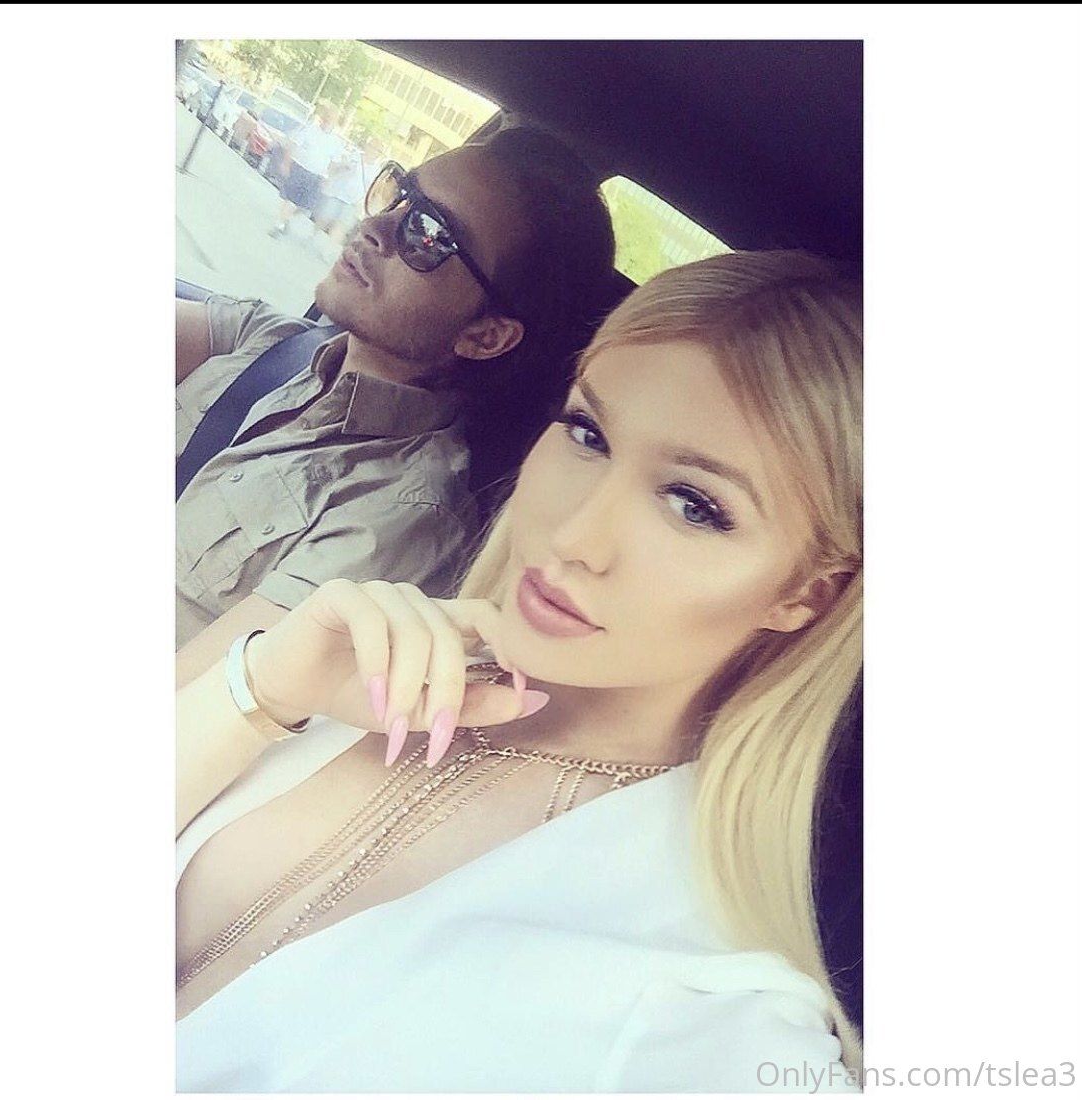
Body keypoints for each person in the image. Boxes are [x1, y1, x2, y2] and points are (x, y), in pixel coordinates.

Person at [175, 250, 864, 1091]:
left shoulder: (707, 1010)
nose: (575, 536)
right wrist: (255, 695)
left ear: (803, 594)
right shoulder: (351, 659)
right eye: (588, 434)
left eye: (694, 505)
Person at [175, 127, 617, 678]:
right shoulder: (268, 339)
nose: (376, 227)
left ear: (485, 336)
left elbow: (197, 704)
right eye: (400, 194)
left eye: (429, 235)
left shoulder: (398, 520)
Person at [267, 106, 350, 239]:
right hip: (300, 169)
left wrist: (330, 178)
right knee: (290, 200)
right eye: (327, 116)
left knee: (305, 207)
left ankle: (286, 219)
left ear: (335, 122)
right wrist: (286, 163)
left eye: (331, 118)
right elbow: (293, 145)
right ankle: (279, 225)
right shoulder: (310, 129)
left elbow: (333, 164)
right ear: (322, 117)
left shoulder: (336, 142)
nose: (328, 120)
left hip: (316, 177)